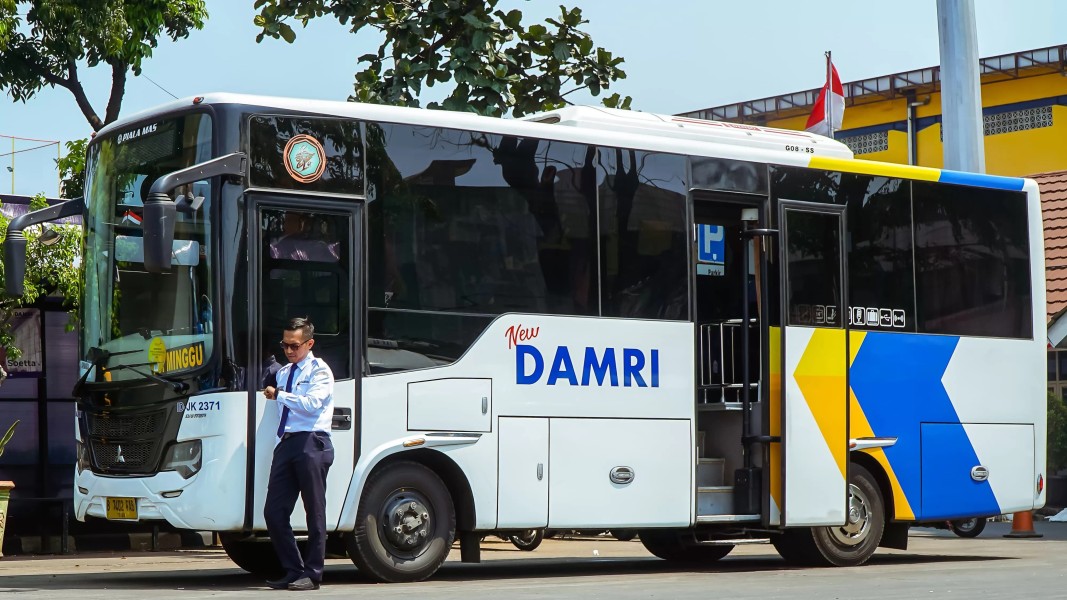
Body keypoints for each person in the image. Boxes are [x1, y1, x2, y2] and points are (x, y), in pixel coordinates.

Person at [262, 317, 335, 591]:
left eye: (294, 345)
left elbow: (312, 404)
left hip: (312, 441)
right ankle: (294, 570)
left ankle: (313, 573)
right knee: (274, 511)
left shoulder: (320, 371)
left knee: (314, 511)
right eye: (285, 345)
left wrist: (280, 395)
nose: (289, 350)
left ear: (309, 343)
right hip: (288, 442)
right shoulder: (282, 373)